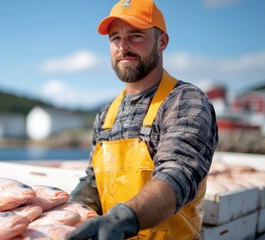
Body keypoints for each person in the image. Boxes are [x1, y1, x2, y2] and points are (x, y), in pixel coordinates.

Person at [67, 0, 218, 239]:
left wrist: (123, 219)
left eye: (135, 35)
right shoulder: (106, 114)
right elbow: (94, 182)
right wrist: (66, 214)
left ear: (162, 42)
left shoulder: (185, 101)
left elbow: (178, 173)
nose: (123, 46)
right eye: (115, 38)